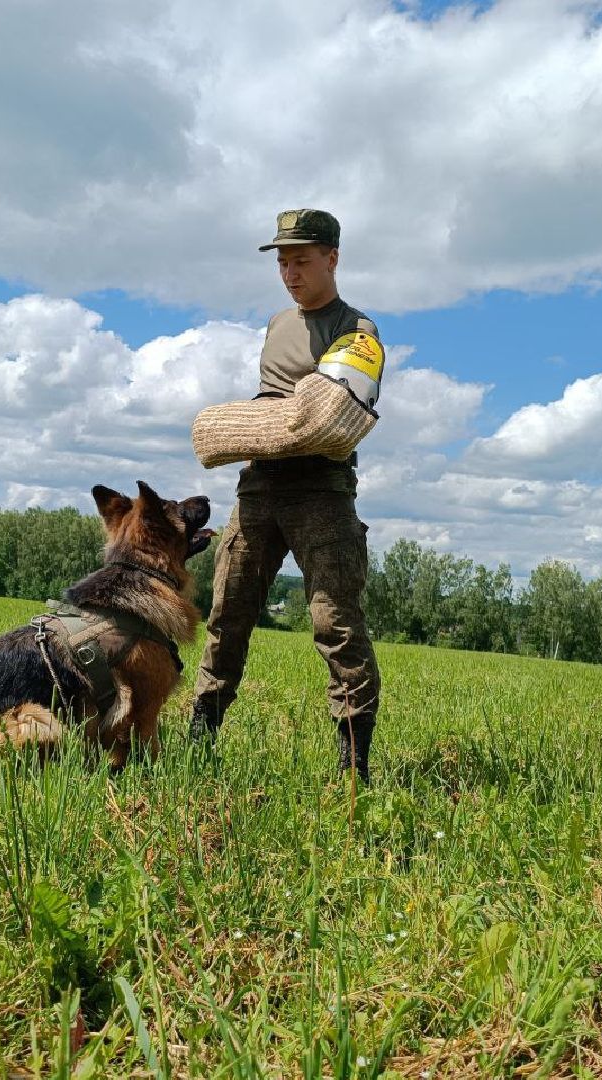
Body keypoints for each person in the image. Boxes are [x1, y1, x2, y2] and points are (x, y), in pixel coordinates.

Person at [190, 208, 382, 782]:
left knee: (335, 623)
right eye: (282, 261)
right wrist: (264, 425)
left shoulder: (358, 332)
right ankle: (197, 742)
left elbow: (327, 419)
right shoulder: (278, 324)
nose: (289, 272)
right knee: (227, 617)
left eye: (301, 260)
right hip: (258, 488)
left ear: (332, 258)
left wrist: (254, 424)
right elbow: (283, 406)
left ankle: (353, 770)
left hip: (320, 494)